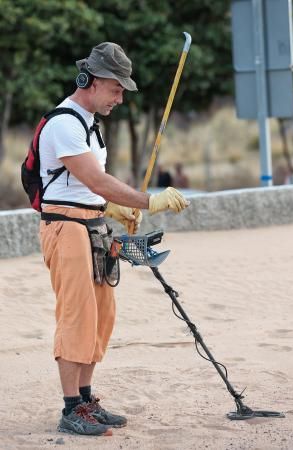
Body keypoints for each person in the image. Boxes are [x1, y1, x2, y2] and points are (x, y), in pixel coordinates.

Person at [38, 42, 190, 437]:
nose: (120, 98)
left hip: (93, 227)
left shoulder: (89, 124)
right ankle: (71, 408)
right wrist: (148, 200)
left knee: (101, 316)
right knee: (77, 315)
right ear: (90, 80)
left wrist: (112, 210)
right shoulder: (65, 123)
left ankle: (86, 400)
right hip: (66, 228)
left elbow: (87, 190)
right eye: (116, 88)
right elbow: (95, 180)